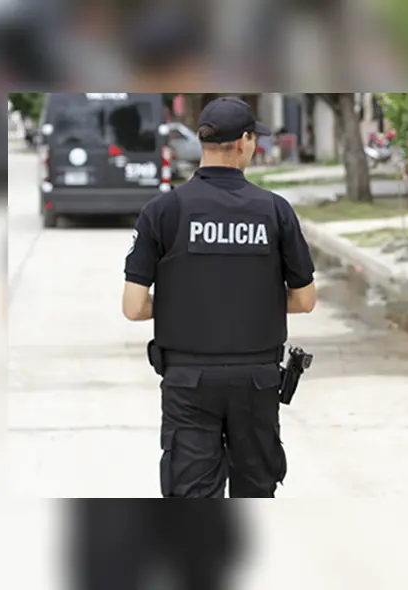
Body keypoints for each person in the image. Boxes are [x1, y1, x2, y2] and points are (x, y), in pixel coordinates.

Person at [122, 97, 317, 498]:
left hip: (188, 381)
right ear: (245, 142)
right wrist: (251, 298)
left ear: (202, 141)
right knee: (257, 492)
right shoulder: (275, 211)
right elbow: (304, 300)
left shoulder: (163, 211)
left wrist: (186, 301)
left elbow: (133, 306)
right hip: (256, 381)